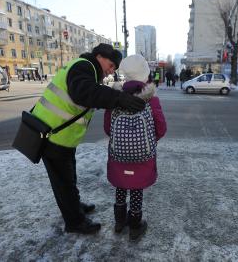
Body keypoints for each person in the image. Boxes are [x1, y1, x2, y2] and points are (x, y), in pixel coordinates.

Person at [31, 43, 146, 235]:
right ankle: (74, 222)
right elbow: (85, 92)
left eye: (114, 69)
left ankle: (74, 206)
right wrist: (119, 98)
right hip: (51, 135)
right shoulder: (84, 66)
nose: (110, 72)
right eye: (110, 65)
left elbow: (88, 93)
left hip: (60, 136)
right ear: (99, 56)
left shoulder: (87, 69)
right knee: (63, 183)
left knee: (69, 177)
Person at [104, 54, 167, 241]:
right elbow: (161, 128)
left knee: (121, 186)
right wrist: (147, 140)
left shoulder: (115, 98)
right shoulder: (151, 99)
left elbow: (108, 128)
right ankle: (135, 226)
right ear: (145, 75)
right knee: (136, 188)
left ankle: (119, 222)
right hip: (143, 155)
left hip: (118, 154)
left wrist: (123, 142)